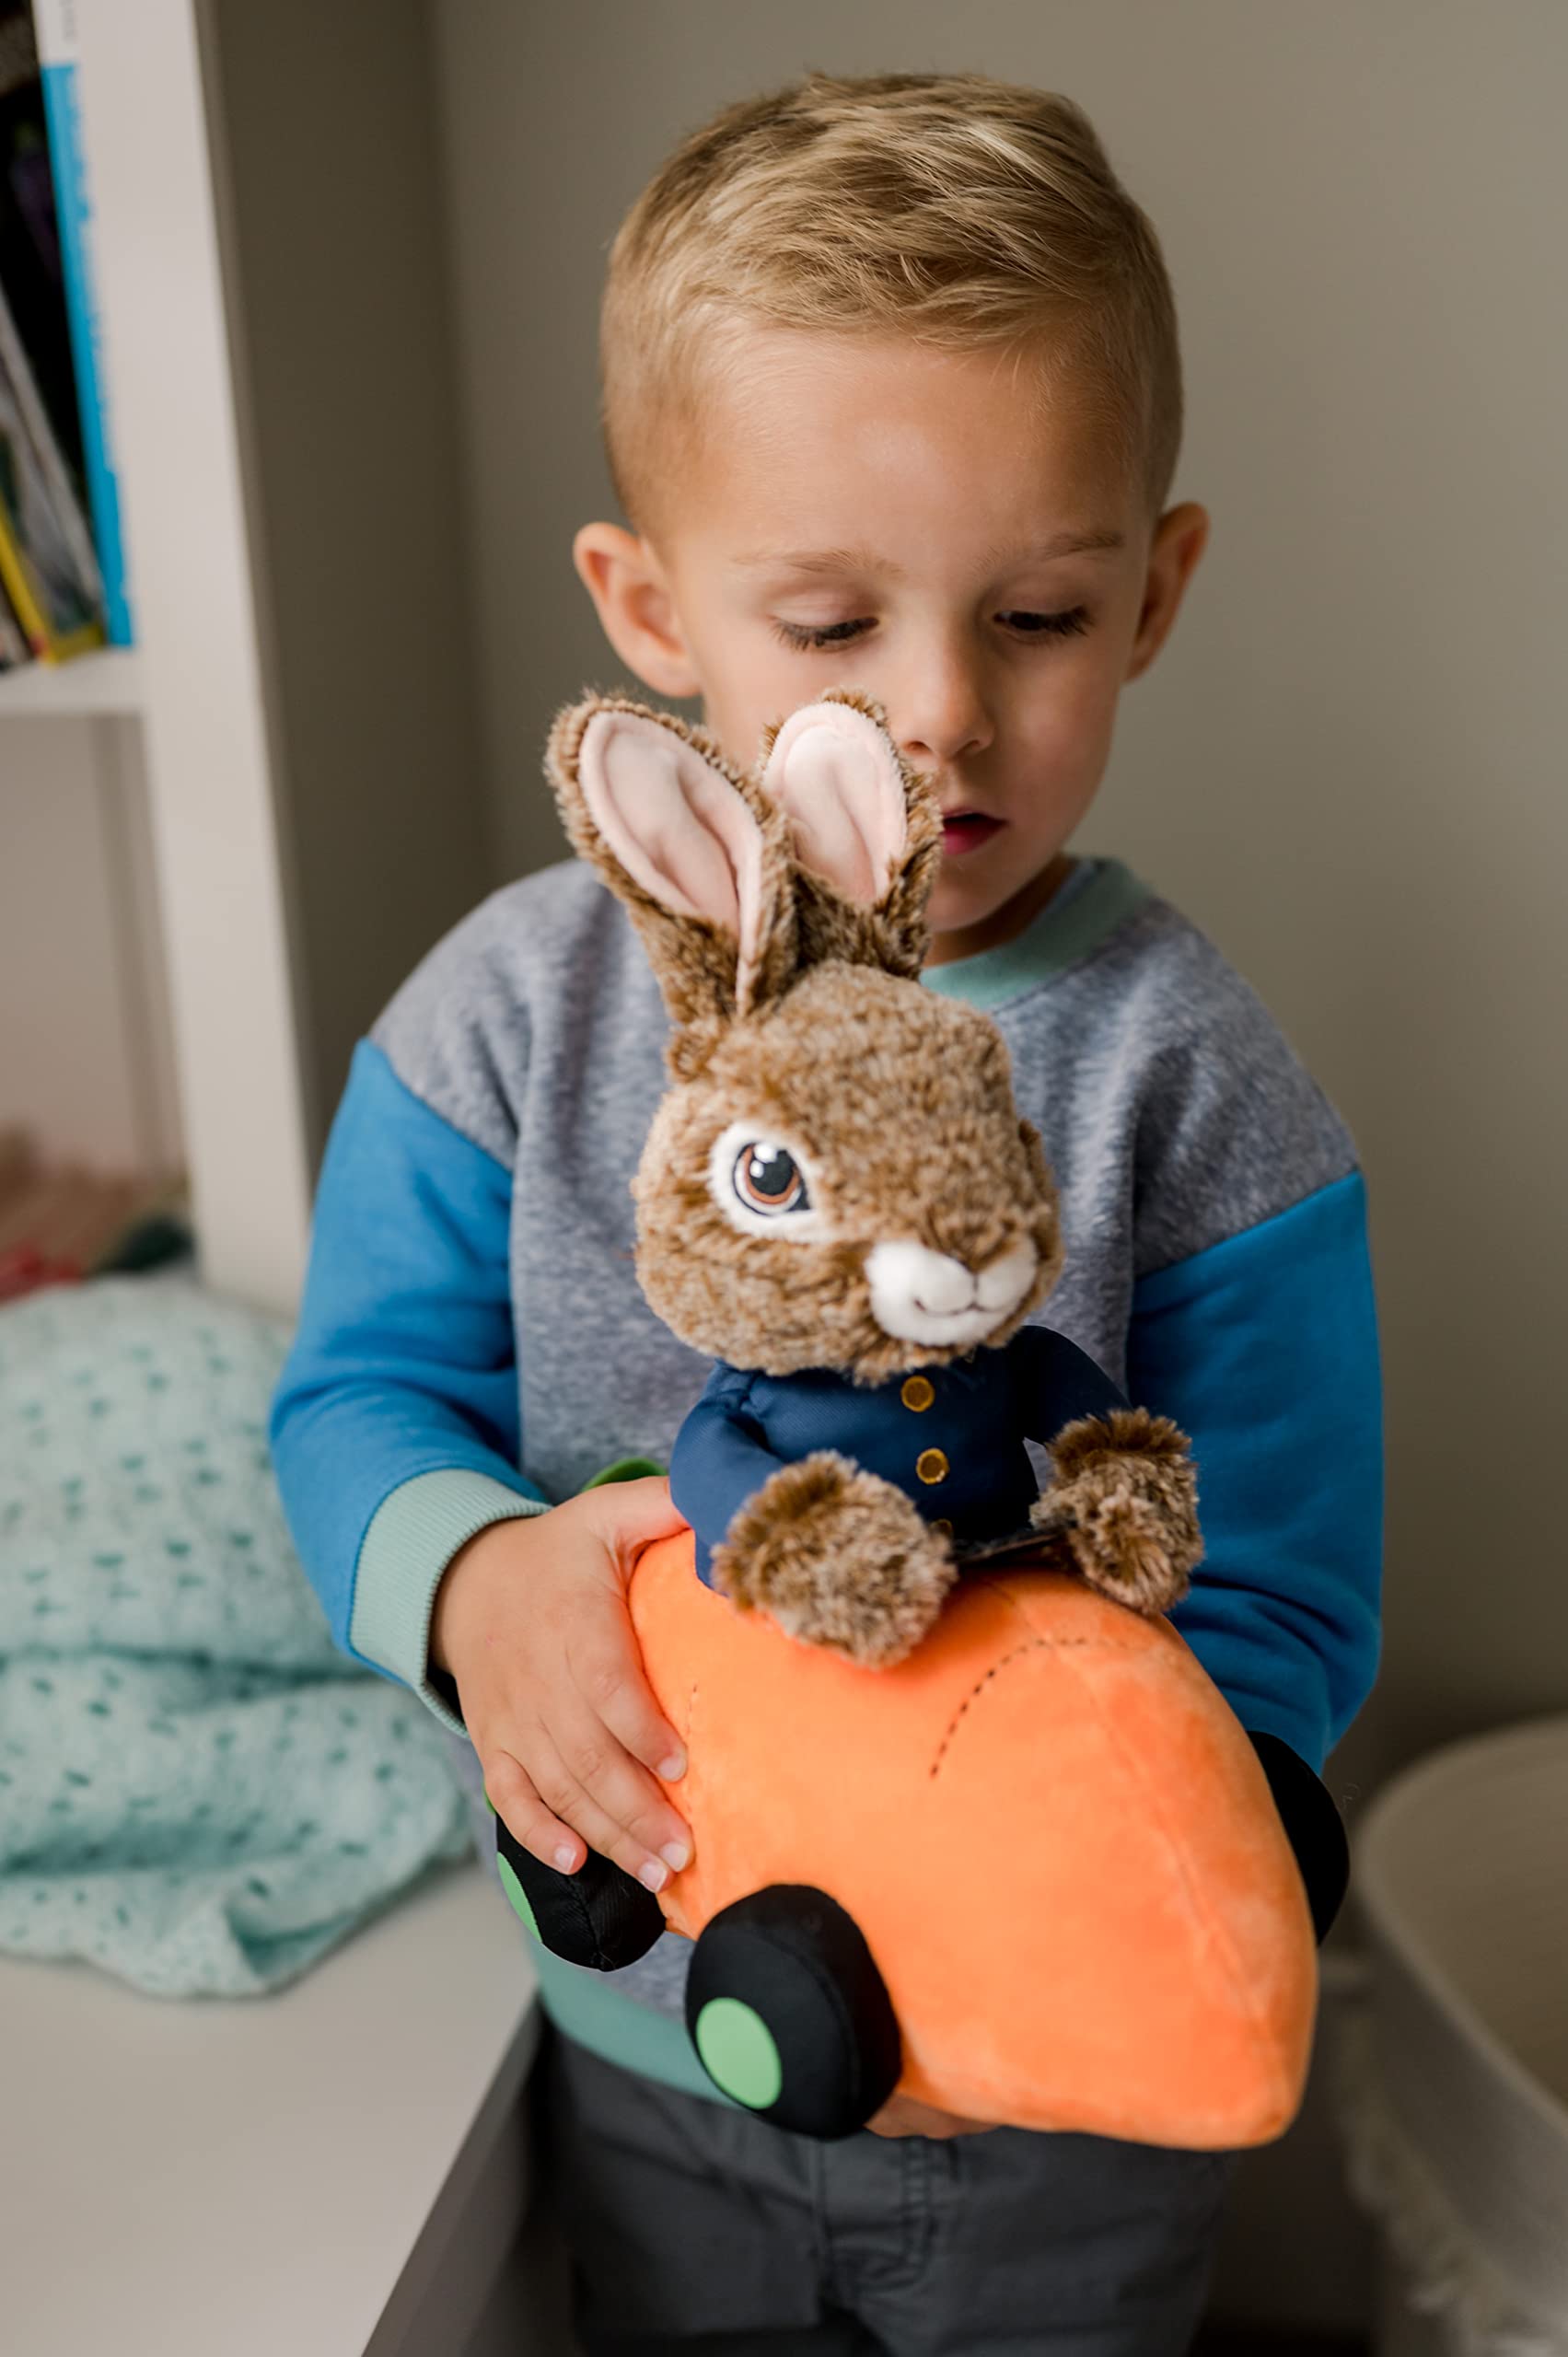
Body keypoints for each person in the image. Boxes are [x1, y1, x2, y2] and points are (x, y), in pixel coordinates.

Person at [270, 69, 1382, 2355]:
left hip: (1066, 2110)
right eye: (832, 622)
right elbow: (360, 1393)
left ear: (1155, 589)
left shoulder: (1194, 1069)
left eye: (1041, 613)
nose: (945, 714)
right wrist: (475, 1581)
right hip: (655, 2043)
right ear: (652, 607)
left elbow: (1281, 1580)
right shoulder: (506, 1018)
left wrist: (1124, 1837)